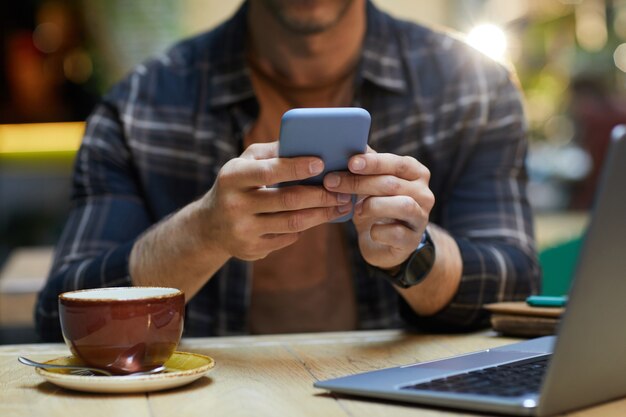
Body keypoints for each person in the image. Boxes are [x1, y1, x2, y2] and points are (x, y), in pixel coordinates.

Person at [35, 0, 540, 341]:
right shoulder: (137, 107)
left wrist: (413, 252)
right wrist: (203, 233)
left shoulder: (475, 90)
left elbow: (515, 289)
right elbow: (61, 316)